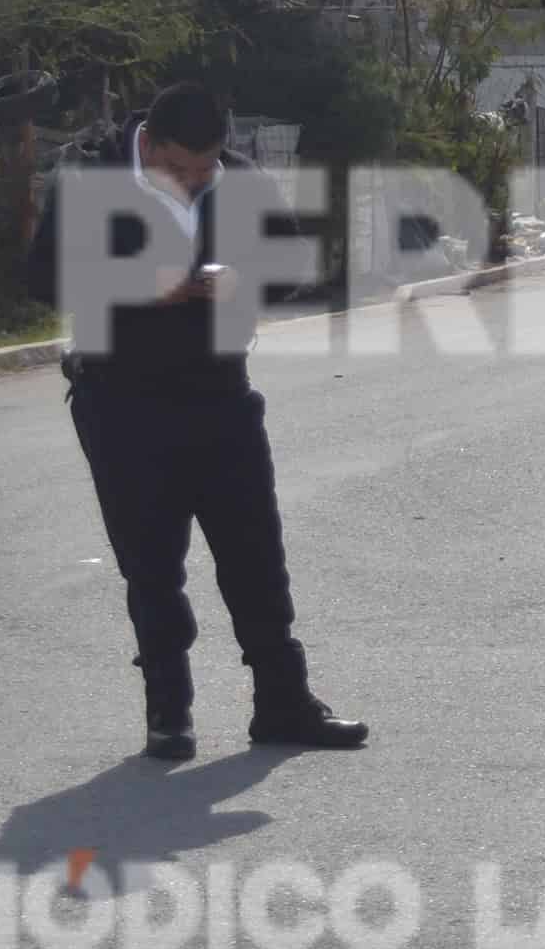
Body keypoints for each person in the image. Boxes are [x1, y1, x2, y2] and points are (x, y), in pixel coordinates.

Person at [24, 82, 368, 761]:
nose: (196, 180)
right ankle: (168, 713)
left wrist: (242, 279)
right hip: (124, 402)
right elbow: (43, 279)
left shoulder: (238, 180)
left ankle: (283, 703)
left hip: (221, 395)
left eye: (207, 167)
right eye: (181, 168)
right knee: (152, 566)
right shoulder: (91, 180)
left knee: (256, 558)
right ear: (149, 144)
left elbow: (294, 267)